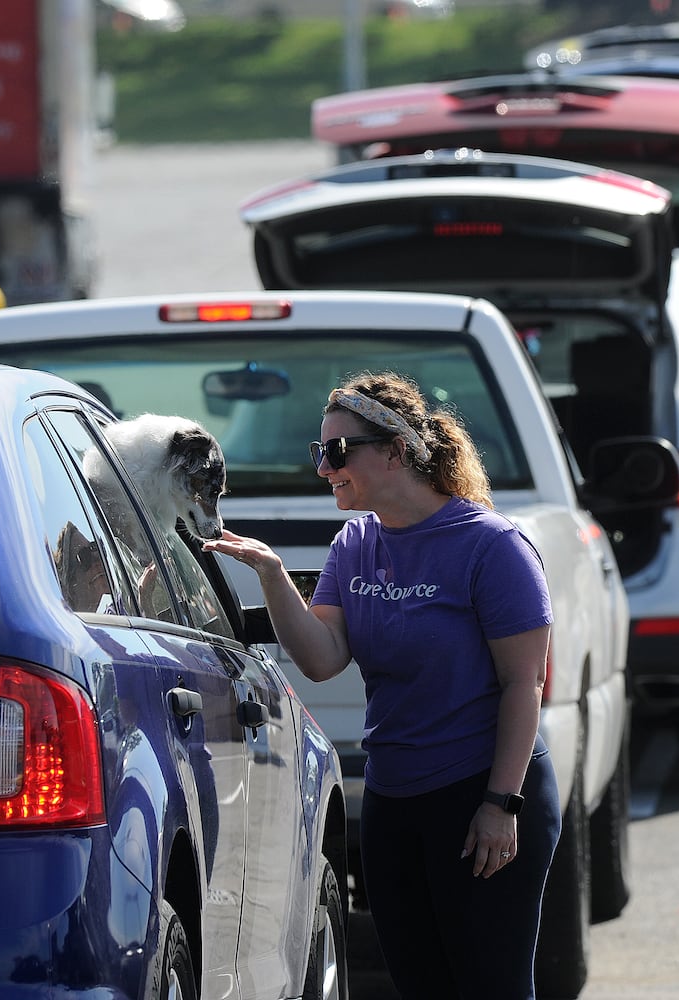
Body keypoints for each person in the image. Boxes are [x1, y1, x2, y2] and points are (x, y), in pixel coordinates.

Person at [204, 370, 560, 1000]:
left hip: (480, 794)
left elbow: (523, 685)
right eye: (321, 452)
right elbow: (321, 658)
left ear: (396, 451)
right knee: (420, 986)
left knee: (491, 987)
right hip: (395, 799)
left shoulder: (492, 547)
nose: (324, 469)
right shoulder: (355, 545)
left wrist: (501, 805)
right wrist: (271, 573)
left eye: (339, 452)